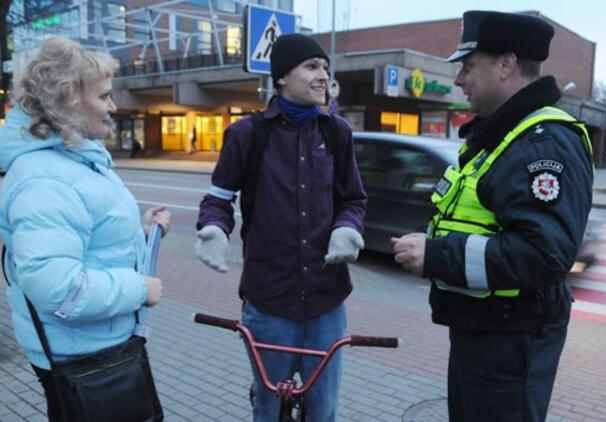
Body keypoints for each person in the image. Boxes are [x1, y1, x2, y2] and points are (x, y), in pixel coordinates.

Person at [392, 11, 593, 422]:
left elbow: (544, 254)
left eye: (468, 66)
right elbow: (473, 218)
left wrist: (436, 256)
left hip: (512, 341)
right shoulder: (500, 136)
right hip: (485, 333)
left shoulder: (544, 143)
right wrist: (428, 240)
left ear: (506, 65)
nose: (459, 80)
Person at [195, 33, 366, 421]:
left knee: (323, 409)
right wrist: (213, 229)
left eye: (325, 67)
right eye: (311, 67)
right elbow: (219, 199)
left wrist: (347, 228)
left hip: (326, 301)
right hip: (269, 302)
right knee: (268, 405)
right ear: (282, 78)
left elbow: (353, 200)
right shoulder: (247, 134)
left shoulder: (335, 132)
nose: (323, 75)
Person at [0, 37, 171, 420]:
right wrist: (139, 289)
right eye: (105, 96)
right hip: (82, 358)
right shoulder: (46, 178)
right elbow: (58, 289)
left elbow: (89, 240)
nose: (114, 107)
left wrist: (142, 233)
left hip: (99, 347)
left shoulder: (74, 160)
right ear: (70, 101)